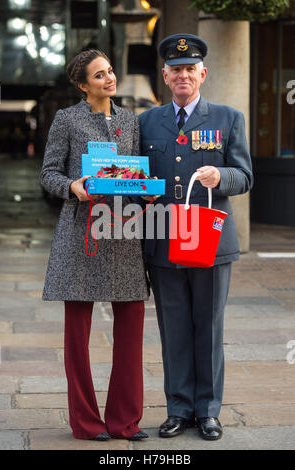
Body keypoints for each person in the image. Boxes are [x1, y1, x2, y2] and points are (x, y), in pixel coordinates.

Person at [139, 34, 253, 441]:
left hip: (210, 240)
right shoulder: (147, 122)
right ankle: (178, 409)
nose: (183, 75)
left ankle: (208, 411)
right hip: (165, 239)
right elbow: (135, 175)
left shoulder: (228, 118)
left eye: (191, 69)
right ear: (165, 75)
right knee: (173, 328)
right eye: (176, 69)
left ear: (203, 73)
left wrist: (221, 175)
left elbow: (245, 176)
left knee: (208, 326)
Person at [40, 49, 149, 441]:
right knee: (77, 335)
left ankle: (125, 422)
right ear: (83, 84)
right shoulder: (66, 120)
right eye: (100, 75)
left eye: (110, 71)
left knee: (132, 322)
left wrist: (146, 194)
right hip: (81, 234)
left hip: (122, 234)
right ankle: (86, 423)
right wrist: (72, 186)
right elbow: (49, 173)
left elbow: (136, 171)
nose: (110, 78)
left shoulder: (130, 121)